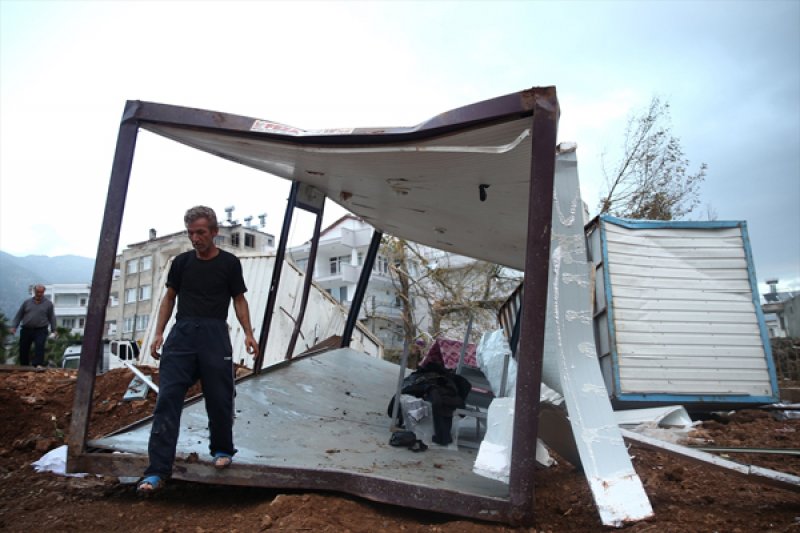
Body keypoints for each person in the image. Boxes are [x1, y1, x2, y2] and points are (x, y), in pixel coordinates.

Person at [137, 206, 259, 495]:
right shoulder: (181, 263)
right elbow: (169, 298)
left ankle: (221, 450)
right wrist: (158, 332)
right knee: (167, 399)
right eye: (191, 233)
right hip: (182, 336)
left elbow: (239, 300)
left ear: (215, 232)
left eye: (201, 232)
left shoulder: (229, 264)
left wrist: (249, 334)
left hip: (215, 334)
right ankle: (156, 471)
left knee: (219, 396)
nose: (195, 238)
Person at [10, 284, 57, 370]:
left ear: (43, 292)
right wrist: (14, 326)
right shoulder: (26, 302)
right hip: (26, 329)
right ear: (34, 292)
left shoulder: (48, 304)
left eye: (41, 292)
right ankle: (24, 366)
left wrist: (54, 330)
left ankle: (38, 364)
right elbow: (19, 315)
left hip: (41, 329)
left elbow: (52, 317)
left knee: (39, 346)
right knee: (23, 348)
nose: (39, 294)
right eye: (37, 292)